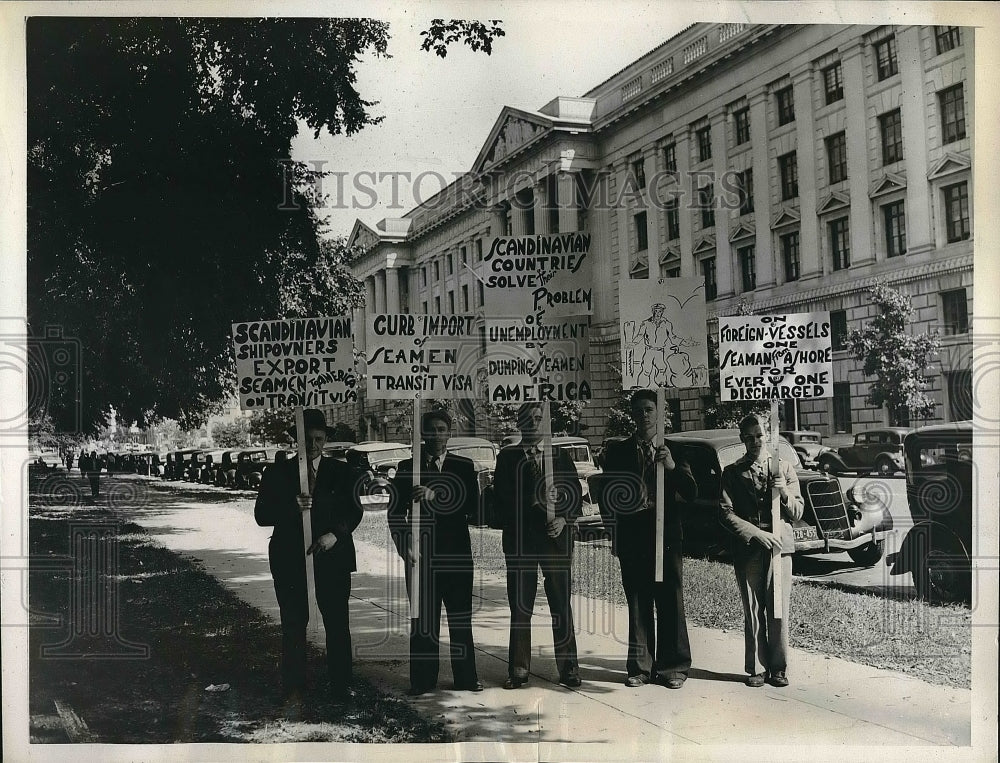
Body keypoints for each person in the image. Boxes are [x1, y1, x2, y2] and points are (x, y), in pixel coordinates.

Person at [254, 408, 363, 702]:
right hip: (291, 558)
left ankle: (341, 685)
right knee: (293, 622)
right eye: (306, 439)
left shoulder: (343, 472)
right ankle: (294, 685)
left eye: (318, 438)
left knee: (337, 623)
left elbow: (354, 511)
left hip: (332, 557)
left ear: (326, 439)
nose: (313, 444)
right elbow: (261, 515)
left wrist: (335, 535)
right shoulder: (276, 473)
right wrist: (291, 505)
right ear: (296, 441)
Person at [599, 389, 698, 689]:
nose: (644, 415)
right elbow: (608, 498)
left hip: (666, 537)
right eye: (639, 410)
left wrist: (670, 467)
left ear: (660, 414)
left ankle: (673, 667)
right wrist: (613, 535)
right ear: (632, 415)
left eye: (649, 410)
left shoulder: (675, 450)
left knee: (670, 599)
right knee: (638, 600)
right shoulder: (618, 451)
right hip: (633, 536)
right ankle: (641, 667)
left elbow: (691, 492)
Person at [388, 409, 483, 695]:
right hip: (421, 555)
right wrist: (404, 544)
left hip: (456, 554)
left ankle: (466, 678)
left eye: (442, 429)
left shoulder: (463, 466)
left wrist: (436, 495)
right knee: (423, 619)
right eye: (432, 430)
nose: (437, 435)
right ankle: (423, 681)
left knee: (459, 617)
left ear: (449, 433)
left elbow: (474, 510)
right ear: (423, 434)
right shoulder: (408, 467)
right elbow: (394, 512)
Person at [493, 402, 582, 689]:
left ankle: (569, 669)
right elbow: (502, 500)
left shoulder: (559, 456)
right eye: (527, 420)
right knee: (521, 605)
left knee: (560, 603)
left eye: (538, 419)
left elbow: (576, 494)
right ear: (518, 425)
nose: (533, 424)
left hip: (555, 540)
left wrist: (564, 519)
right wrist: (536, 498)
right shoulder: (508, 458)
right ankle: (518, 669)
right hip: (521, 540)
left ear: (545, 424)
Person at [719, 414, 804, 688]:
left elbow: (798, 510)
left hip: (780, 547)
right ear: (742, 440)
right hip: (749, 548)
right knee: (753, 609)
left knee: (778, 607)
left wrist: (785, 493)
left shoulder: (785, 468)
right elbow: (725, 512)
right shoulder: (732, 472)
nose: (755, 441)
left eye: (759, 435)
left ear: (768, 435)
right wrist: (756, 534)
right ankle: (757, 667)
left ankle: (778, 667)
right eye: (749, 437)